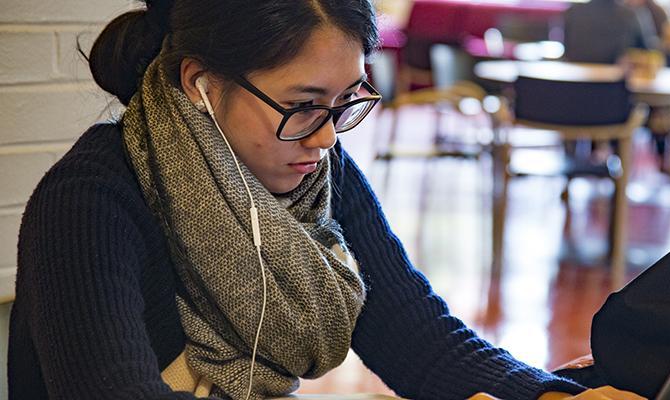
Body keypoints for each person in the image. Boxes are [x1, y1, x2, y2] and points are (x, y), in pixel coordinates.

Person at [7, 1, 588, 399]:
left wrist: (547, 392)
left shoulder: (315, 166)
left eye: (345, 101)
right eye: (303, 103)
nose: (326, 135)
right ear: (200, 84)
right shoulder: (88, 204)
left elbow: (415, 335)